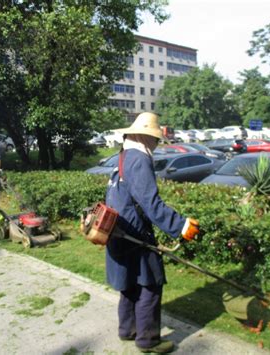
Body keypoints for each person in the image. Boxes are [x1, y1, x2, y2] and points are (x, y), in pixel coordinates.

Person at [105, 112, 200, 354]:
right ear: (144, 137)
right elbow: (150, 203)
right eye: (154, 138)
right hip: (135, 235)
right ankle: (148, 341)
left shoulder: (123, 156)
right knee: (150, 284)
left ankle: (127, 330)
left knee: (129, 284)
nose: (156, 143)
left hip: (117, 231)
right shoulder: (139, 159)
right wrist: (181, 226)